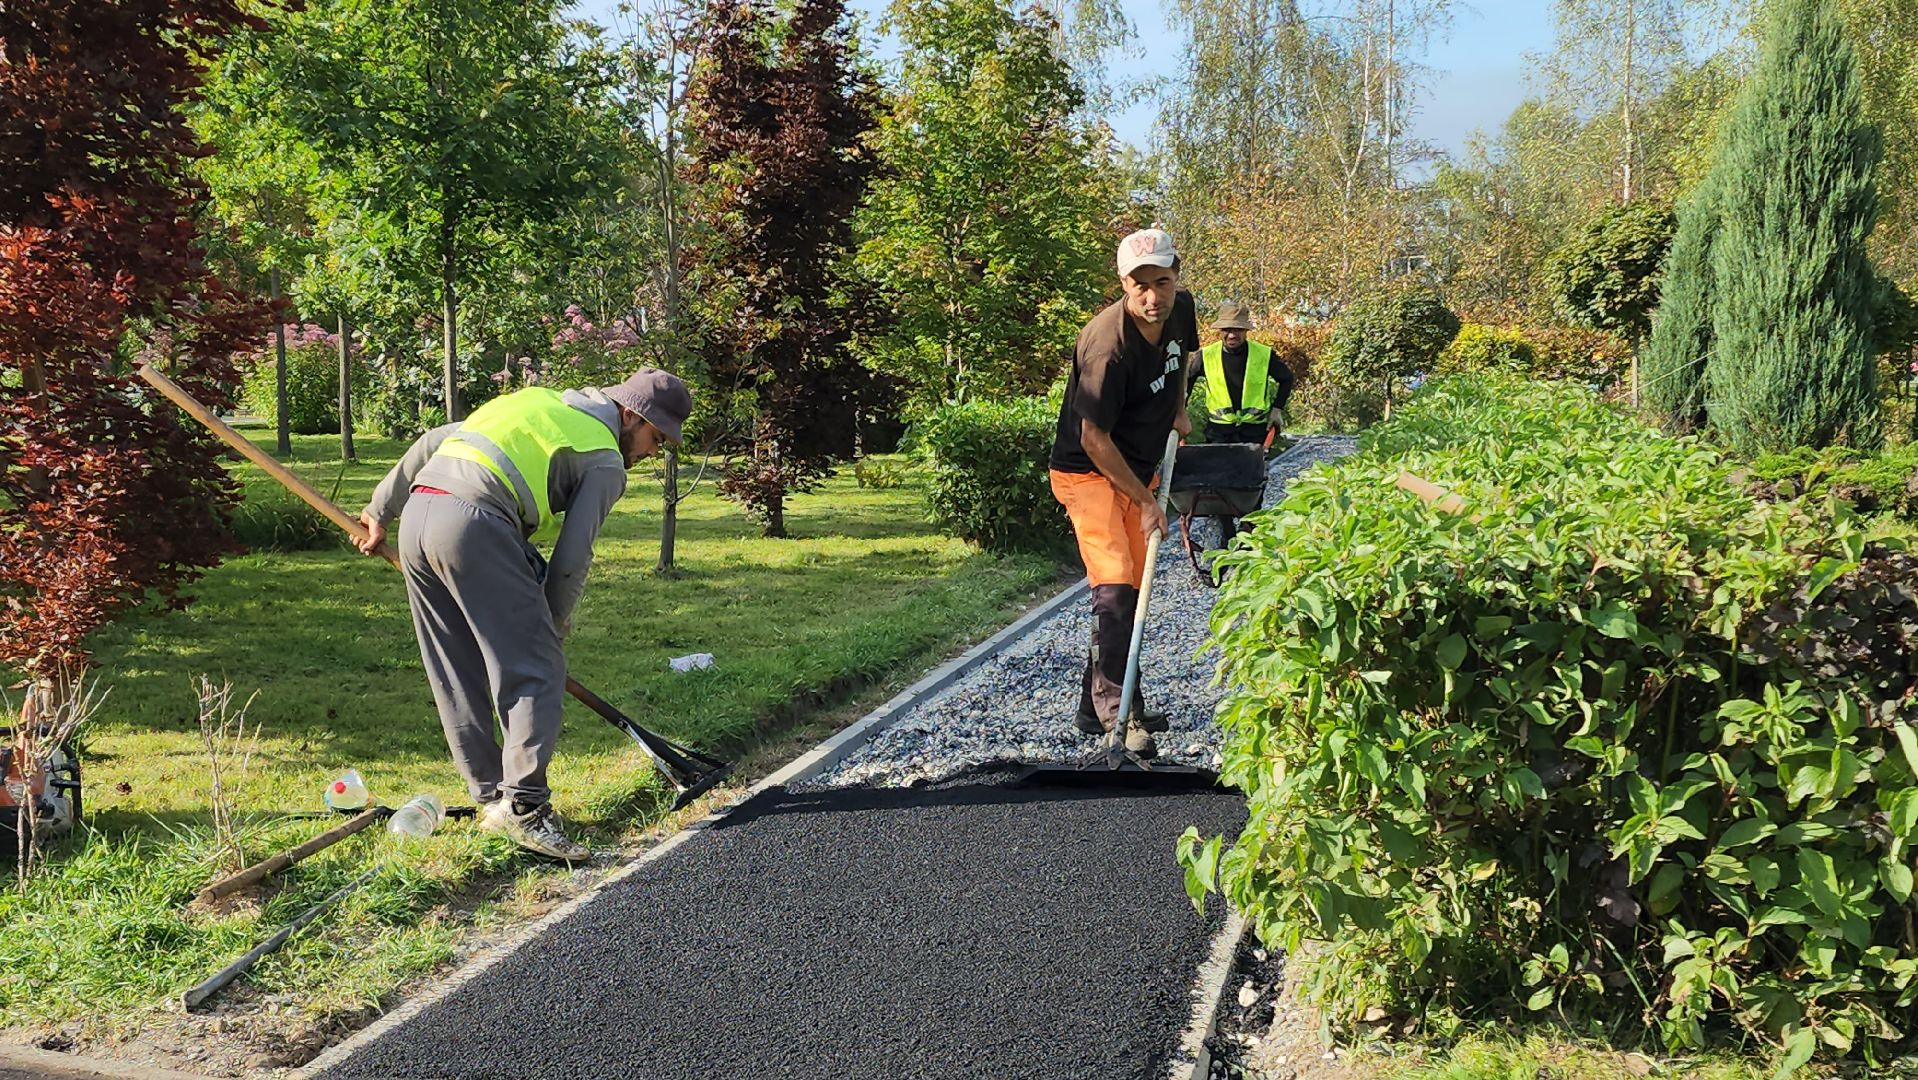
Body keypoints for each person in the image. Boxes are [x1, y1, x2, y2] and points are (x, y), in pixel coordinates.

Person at [355, 370, 692, 860]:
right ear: (630, 416)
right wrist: (549, 630)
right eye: (655, 438)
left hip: (419, 518)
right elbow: (573, 558)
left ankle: (492, 797)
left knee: (455, 668)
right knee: (535, 668)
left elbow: (432, 442)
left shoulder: (538, 403)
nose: (651, 453)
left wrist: (379, 510)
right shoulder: (606, 460)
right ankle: (525, 809)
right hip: (473, 527)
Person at [1048, 227, 1199, 760]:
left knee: (1132, 591)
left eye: (1162, 282)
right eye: (1141, 286)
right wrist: (1146, 501)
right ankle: (1119, 716)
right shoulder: (1107, 347)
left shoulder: (1180, 309)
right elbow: (1093, 439)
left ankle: (1093, 707)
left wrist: (1178, 409)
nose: (1153, 297)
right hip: (1086, 473)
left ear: (1176, 276)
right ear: (1123, 283)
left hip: (1134, 470)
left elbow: (1182, 360)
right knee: (1113, 588)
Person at [1196, 301, 1294, 448]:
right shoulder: (1206, 356)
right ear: (1220, 330)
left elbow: (1287, 378)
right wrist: (1179, 414)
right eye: (1227, 330)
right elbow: (1184, 383)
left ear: (1246, 331)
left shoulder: (1263, 354)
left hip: (1254, 433)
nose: (1232, 335)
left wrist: (1277, 409)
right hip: (1218, 433)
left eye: (1238, 330)